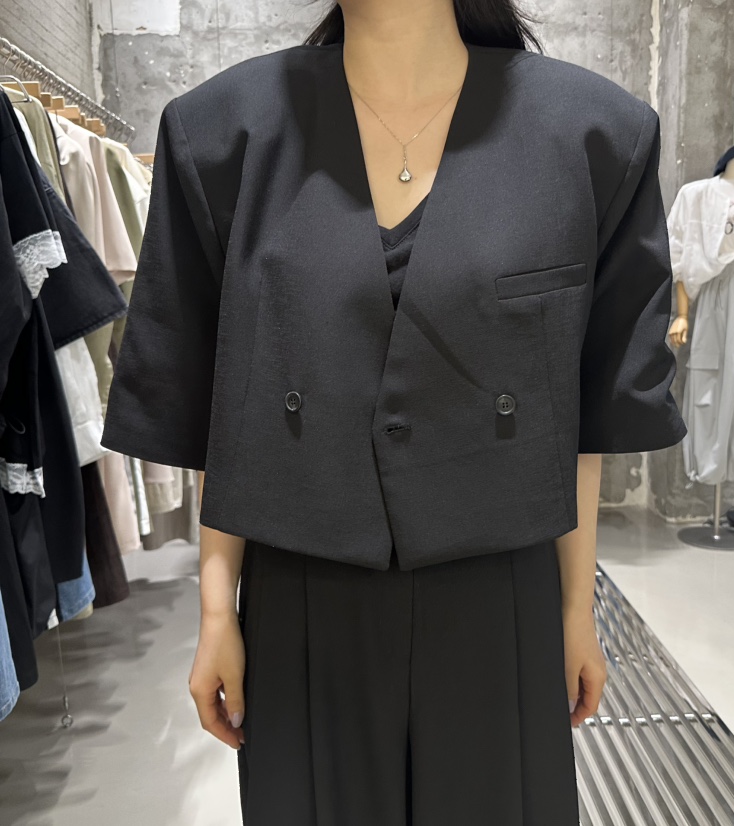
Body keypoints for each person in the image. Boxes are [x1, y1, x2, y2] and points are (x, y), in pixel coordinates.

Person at [100, 1, 687, 823]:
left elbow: (584, 411)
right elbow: (217, 404)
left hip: (501, 594)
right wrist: (214, 608)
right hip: (301, 592)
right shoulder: (220, 133)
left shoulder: (594, 135)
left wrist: (573, 608)